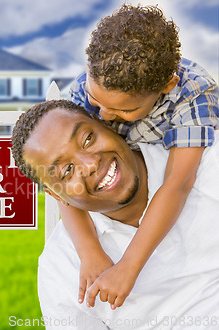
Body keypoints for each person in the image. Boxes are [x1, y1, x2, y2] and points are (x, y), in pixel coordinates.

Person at [61, 4, 219, 309]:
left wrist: (128, 267)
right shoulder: (84, 89)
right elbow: (58, 178)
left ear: (166, 86)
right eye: (97, 101)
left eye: (124, 110)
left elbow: (178, 182)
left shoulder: (194, 93)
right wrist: (89, 250)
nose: (103, 115)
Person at [11, 100, 219, 329]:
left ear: (108, 125)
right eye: (67, 171)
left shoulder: (206, 161)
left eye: (88, 139)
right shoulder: (62, 269)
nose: (90, 164)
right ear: (57, 196)